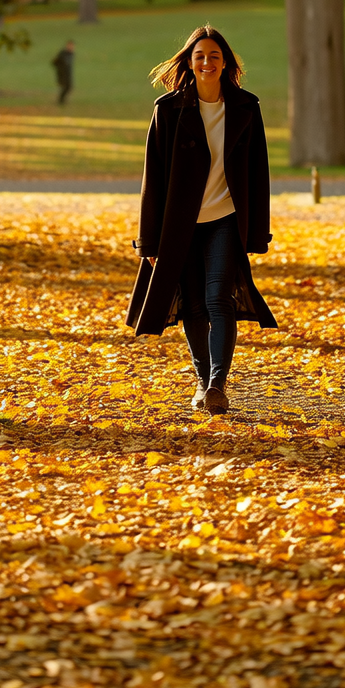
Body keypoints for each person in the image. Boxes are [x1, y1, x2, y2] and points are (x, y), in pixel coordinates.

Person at [125, 26, 277, 413]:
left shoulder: (246, 107)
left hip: (226, 218)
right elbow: (153, 180)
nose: (207, 63)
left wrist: (258, 232)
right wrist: (149, 242)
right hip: (181, 226)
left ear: (225, 63)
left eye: (214, 56)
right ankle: (201, 380)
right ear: (189, 64)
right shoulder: (168, 110)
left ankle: (216, 386)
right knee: (193, 306)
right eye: (200, 57)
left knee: (218, 299)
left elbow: (259, 172)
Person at [52, 39, 76, 106]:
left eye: (72, 46)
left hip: (68, 73)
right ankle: (61, 101)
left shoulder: (71, 54)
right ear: (67, 45)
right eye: (70, 45)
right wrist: (60, 68)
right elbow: (54, 62)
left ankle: (61, 100)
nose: (72, 47)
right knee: (66, 87)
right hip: (62, 74)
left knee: (69, 87)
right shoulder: (62, 53)